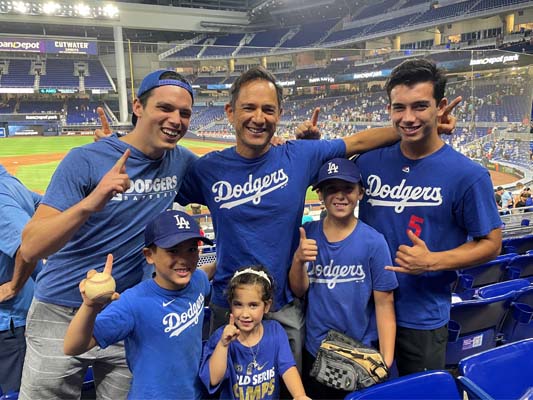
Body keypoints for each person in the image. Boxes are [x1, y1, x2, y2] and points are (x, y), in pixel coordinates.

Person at [175, 66, 458, 369]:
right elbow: (161, 193)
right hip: (229, 304)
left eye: (268, 109)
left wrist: (423, 126)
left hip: (285, 306)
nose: (259, 117)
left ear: (279, 114)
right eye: (249, 108)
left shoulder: (299, 155)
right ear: (230, 112)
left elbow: (358, 143)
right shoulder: (206, 170)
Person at [18, 69, 198, 399]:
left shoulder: (181, 161)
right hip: (60, 310)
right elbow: (30, 246)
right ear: (138, 107)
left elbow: (230, 172)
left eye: (184, 113)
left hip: (127, 312)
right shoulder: (85, 160)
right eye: (165, 108)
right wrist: (91, 202)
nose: (176, 120)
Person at [355, 59, 502, 376]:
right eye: (399, 108)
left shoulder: (469, 175)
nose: (408, 118)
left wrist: (431, 261)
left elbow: (492, 244)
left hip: (421, 317)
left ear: (441, 106)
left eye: (421, 106)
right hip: (361, 309)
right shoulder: (366, 162)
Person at [63, 210, 212, 399]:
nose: (184, 259)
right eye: (173, 250)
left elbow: (206, 273)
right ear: (149, 255)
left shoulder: (198, 281)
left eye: (191, 249)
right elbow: (72, 347)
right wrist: (90, 307)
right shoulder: (133, 302)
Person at [289, 158, 397, 399]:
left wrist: (386, 361)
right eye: (330, 189)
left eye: (347, 188)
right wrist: (298, 260)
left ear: (360, 192)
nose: (339, 196)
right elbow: (299, 291)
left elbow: (384, 303)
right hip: (316, 351)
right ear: (320, 194)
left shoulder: (374, 242)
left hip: (359, 353)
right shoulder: (309, 235)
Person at [200, 265, 310, 400]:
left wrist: (299, 395)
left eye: (253, 305)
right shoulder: (222, 336)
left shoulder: (275, 331)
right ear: (230, 304)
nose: (245, 314)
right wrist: (223, 345)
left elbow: (287, 367)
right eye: (238, 304)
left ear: (266, 306)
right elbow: (214, 379)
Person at [0, 164, 42, 394]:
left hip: (9, 324)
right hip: (16, 319)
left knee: (14, 392)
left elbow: (28, 248)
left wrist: (13, 286)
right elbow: (44, 204)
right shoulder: (10, 182)